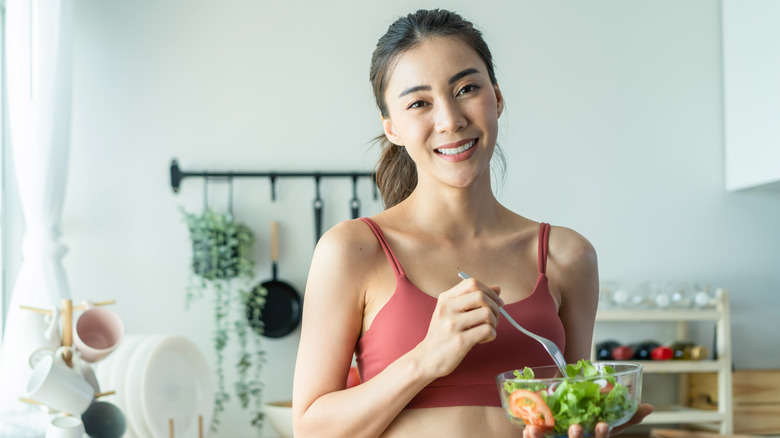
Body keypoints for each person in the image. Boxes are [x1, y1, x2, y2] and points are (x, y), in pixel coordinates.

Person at [292, 9, 652, 438]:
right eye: (419, 103)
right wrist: (427, 358)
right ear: (392, 127)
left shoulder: (566, 255)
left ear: (496, 98)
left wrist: (587, 425)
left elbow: (571, 408)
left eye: (466, 89)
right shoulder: (353, 250)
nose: (449, 120)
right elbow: (311, 430)